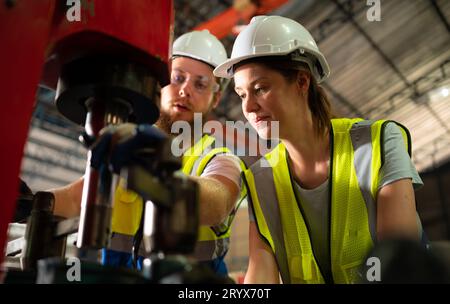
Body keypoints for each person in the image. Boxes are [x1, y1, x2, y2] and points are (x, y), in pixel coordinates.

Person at [214, 15, 425, 284]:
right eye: (242, 94)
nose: (249, 107)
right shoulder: (260, 180)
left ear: (302, 82)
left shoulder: (377, 144)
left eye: (261, 88)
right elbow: (262, 275)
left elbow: (401, 265)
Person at [52, 30, 244, 276]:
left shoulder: (220, 159)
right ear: (159, 82)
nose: (185, 91)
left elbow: (217, 202)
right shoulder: (125, 145)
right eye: (178, 78)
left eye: (201, 84)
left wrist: (156, 165)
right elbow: (75, 199)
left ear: (215, 99)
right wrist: (31, 203)